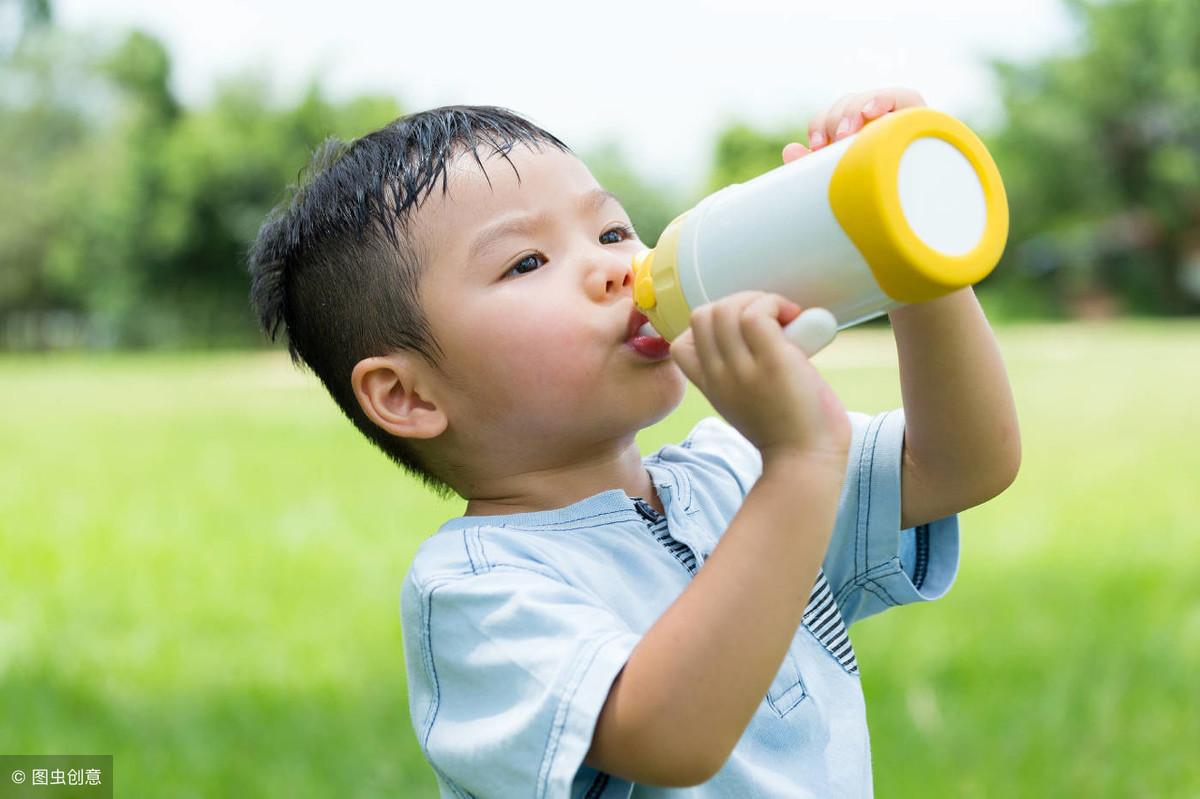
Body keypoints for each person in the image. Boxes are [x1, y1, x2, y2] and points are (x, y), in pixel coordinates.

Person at [247, 86, 1021, 797]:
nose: (615, 268)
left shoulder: (733, 469)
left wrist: (909, 255)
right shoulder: (474, 591)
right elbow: (668, 735)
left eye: (612, 229)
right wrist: (798, 465)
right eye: (527, 261)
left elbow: (963, 462)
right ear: (407, 395)